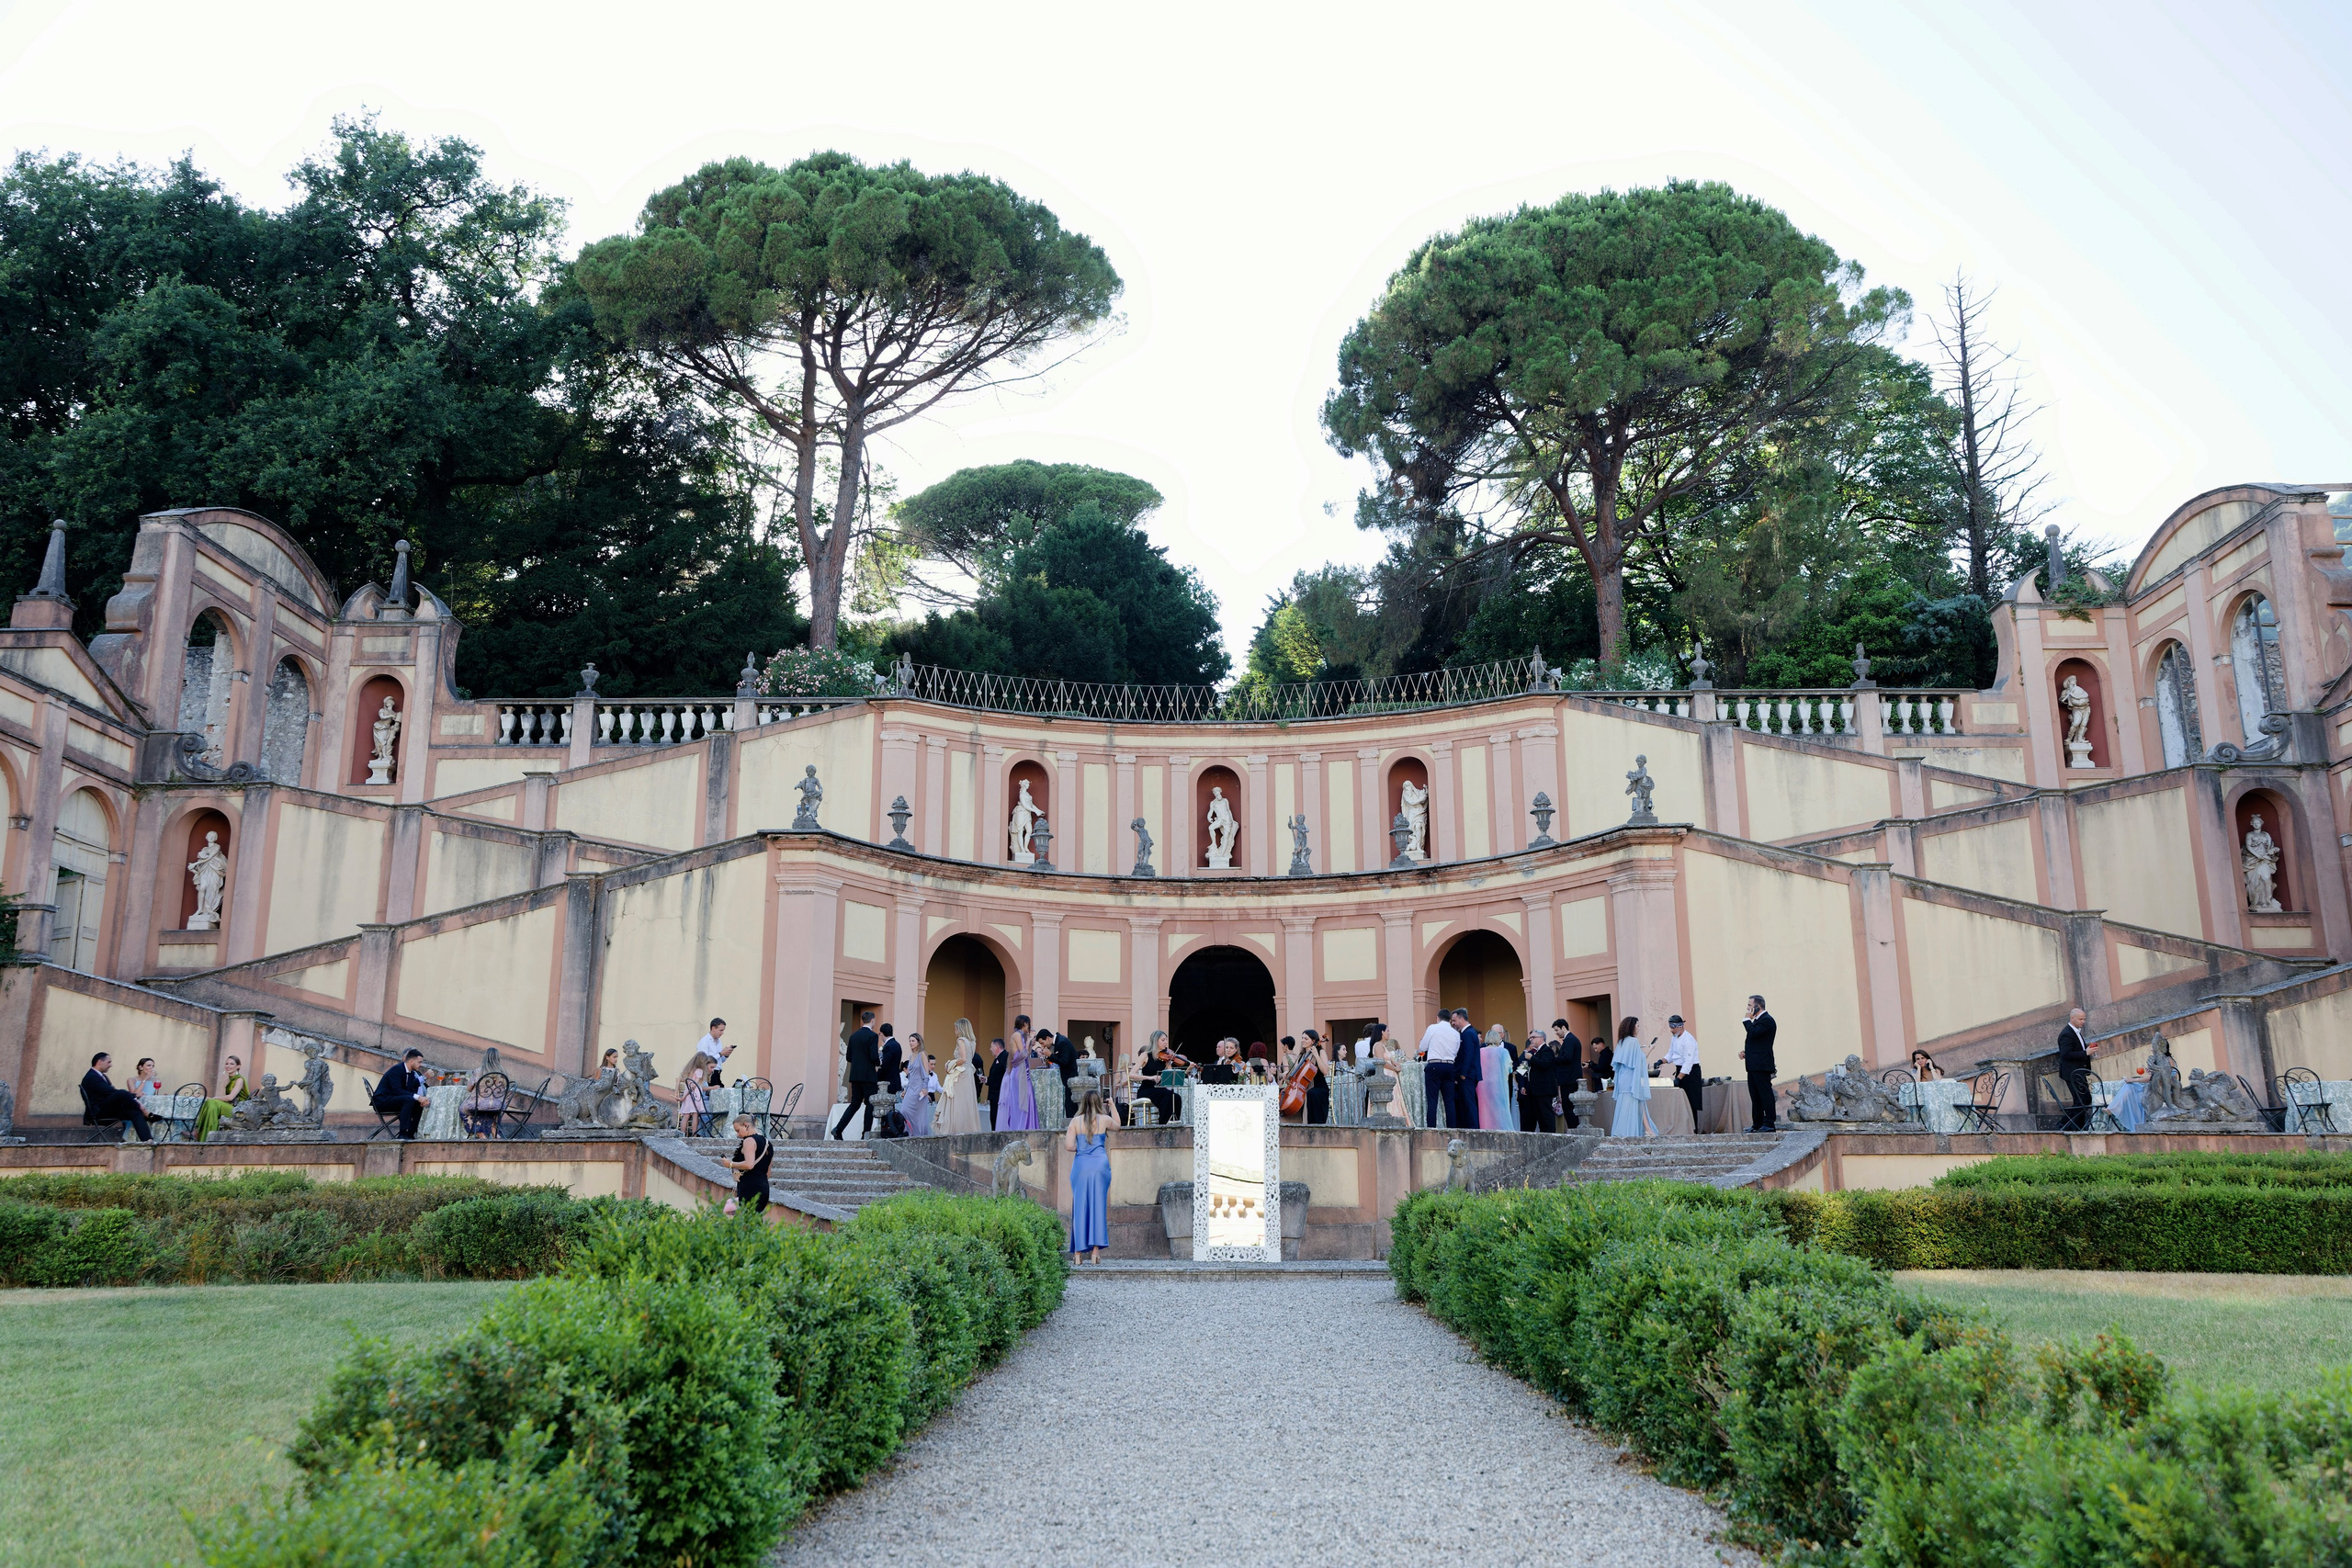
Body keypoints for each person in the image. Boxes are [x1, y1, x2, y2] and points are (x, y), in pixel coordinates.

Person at [1065, 1084, 1114, 1263]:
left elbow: (1069, 1146)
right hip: (1100, 1165)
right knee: (1098, 1207)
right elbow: (1119, 1126)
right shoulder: (1105, 1119)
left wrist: (1083, 1149)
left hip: (1081, 1165)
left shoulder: (1075, 1122)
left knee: (1080, 1207)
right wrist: (1112, 1106)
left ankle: (1078, 1255)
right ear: (1098, 1102)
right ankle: (1095, 1253)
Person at [831, 1010, 880, 1139]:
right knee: (870, 1105)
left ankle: (838, 1129)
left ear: (862, 1021)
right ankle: (866, 1134)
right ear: (872, 1020)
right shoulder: (873, 1036)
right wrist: (879, 1061)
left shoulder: (853, 1036)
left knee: (855, 1104)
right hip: (868, 1076)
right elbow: (874, 1056)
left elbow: (848, 1057)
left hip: (855, 1076)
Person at [82, 1053, 153, 1142]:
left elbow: (110, 1094)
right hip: (98, 1111)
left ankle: (148, 1140)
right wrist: (133, 1095)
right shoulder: (92, 1077)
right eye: (109, 1062)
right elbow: (110, 1092)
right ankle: (144, 1111)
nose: (111, 1065)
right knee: (121, 1093)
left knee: (135, 1113)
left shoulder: (101, 1076)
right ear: (100, 1062)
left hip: (107, 1109)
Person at [716, 1111, 774, 1214]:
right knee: (755, 1221)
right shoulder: (768, 1143)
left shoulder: (749, 1141)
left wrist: (730, 1164)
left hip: (750, 1187)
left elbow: (749, 1164)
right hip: (764, 1187)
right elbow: (768, 1173)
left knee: (745, 1223)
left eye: (738, 1130)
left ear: (746, 1126)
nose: (737, 1134)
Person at [1609, 1020, 1657, 1138]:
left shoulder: (1621, 1042)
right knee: (1638, 1101)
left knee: (1636, 1103)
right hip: (1631, 1078)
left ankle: (1647, 1129)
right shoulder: (1634, 1041)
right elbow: (1640, 1060)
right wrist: (1651, 1048)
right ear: (1632, 1027)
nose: (1639, 1028)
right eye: (1638, 1026)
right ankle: (1646, 1129)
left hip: (1623, 1078)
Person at [1740, 995, 1779, 1133]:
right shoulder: (1757, 1021)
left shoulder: (1767, 1020)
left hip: (1762, 1065)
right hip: (1753, 1064)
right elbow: (1757, 1042)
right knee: (1755, 1095)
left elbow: (1754, 1033)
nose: (1747, 1008)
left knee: (1765, 1094)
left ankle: (1769, 1123)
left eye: (1750, 1005)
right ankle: (1757, 1123)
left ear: (1758, 1006)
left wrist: (1746, 1020)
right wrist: (1746, 1052)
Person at [1418, 1008, 1460, 1127]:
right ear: (1450, 1020)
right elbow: (1456, 1052)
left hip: (1435, 1065)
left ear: (1438, 1018)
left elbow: (1422, 1047)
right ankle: (1452, 1129)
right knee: (1449, 1102)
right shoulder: (1456, 1033)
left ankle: (1431, 1129)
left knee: (1432, 1101)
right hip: (1449, 1066)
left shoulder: (1432, 1028)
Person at [373, 1049, 427, 1140]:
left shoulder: (410, 1072)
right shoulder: (396, 1070)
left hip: (395, 1099)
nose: (421, 1065)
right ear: (411, 1061)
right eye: (419, 1062)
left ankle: (410, 1133)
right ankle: (402, 1133)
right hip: (382, 1101)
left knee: (419, 1104)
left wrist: (421, 1099)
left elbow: (410, 1089)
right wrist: (418, 1097)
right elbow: (398, 1091)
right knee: (409, 1099)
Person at [937, 1037, 988, 1135]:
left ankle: (956, 1130)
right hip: (968, 1075)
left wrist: (950, 1064)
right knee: (965, 1104)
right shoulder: (972, 1042)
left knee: (958, 1104)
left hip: (961, 1074)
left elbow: (963, 1058)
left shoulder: (961, 1040)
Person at [194, 1055, 250, 1142]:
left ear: (238, 1066)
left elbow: (230, 1097)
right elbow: (223, 1100)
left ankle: (201, 1132)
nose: (228, 1066)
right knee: (210, 1103)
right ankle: (204, 1133)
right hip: (230, 1106)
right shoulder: (227, 1081)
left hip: (238, 1110)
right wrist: (208, 1098)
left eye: (232, 1064)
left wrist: (214, 1098)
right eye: (227, 1064)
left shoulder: (240, 1080)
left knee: (212, 1102)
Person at [996, 1028, 1042, 1132]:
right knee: (1021, 1101)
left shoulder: (1023, 1044)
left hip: (1024, 1075)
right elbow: (1023, 1054)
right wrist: (1029, 1040)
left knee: (1029, 1099)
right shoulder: (1017, 1039)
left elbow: (1027, 1054)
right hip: (1019, 1075)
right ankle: (1021, 1126)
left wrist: (1030, 1043)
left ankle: (1028, 1126)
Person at [2055, 1007, 2093, 1132]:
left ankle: (2075, 1126)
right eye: (2081, 1019)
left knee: (2083, 1100)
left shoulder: (2075, 1031)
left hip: (2078, 1072)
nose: (2083, 1021)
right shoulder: (2066, 1034)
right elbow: (2065, 1054)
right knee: (2082, 1100)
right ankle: (2067, 1125)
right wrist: (2085, 1053)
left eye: (2084, 1019)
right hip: (2072, 1073)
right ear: (2072, 1018)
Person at [1521, 1030, 1564, 1133]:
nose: (1530, 1039)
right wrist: (1522, 1085)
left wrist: (1532, 1058)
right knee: (1538, 1118)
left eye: (1533, 1037)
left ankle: (1550, 1139)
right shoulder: (1530, 1053)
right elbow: (1521, 1071)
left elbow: (1545, 1064)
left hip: (1544, 1091)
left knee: (1546, 1117)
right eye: (1530, 1037)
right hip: (1533, 1091)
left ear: (1541, 1038)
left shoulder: (1547, 1050)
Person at [462, 1051, 510, 1138]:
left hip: (479, 1104)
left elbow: (469, 1089)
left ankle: (479, 1132)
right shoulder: (504, 1073)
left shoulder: (478, 1071)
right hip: (498, 1105)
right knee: (489, 1112)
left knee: (463, 1109)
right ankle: (493, 1130)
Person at [1666, 1014, 1704, 1122]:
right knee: (1681, 1101)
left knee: (1691, 1100)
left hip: (1691, 1072)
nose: (1671, 1030)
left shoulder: (1688, 1040)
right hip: (1680, 1070)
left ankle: (1693, 1127)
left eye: (1673, 1027)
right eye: (1670, 1027)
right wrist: (1662, 1061)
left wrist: (1679, 1078)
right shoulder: (1675, 1038)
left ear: (1680, 1026)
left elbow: (1688, 1062)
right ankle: (1683, 1125)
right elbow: (1671, 1053)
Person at [1476, 1023, 1513, 1129]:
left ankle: (1486, 1128)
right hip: (1499, 1084)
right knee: (1500, 1109)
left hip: (1483, 1085)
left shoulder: (1480, 1051)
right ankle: (1502, 1129)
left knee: (1485, 1109)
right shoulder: (1503, 1051)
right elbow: (1509, 1068)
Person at [1453, 1010, 1485, 1130]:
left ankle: (1474, 1129)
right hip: (1468, 1074)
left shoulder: (1468, 1033)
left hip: (1468, 1074)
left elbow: (1468, 1055)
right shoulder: (1469, 1033)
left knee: (1469, 1103)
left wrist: (1463, 1074)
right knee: (1466, 1103)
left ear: (1461, 1019)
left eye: (1455, 1020)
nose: (1453, 1023)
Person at [1297, 1029, 1332, 1125]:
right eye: (1302, 1038)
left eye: (1306, 1038)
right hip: (1305, 1087)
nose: (1303, 1040)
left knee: (1311, 1094)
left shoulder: (1321, 1052)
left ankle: (1313, 1125)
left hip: (1319, 1088)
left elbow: (1325, 1071)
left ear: (1313, 1041)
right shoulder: (1302, 1055)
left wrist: (1316, 1055)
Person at [678, 1052, 716, 1136]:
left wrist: (680, 1094)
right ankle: (694, 1136)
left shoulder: (688, 1069)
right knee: (695, 1115)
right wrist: (685, 1095)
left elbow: (679, 1080)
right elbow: (695, 1086)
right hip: (695, 1095)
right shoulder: (699, 1071)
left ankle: (682, 1135)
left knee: (686, 1116)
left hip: (687, 1094)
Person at [901, 1043, 935, 1137]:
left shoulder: (922, 1054)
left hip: (920, 1088)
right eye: (909, 1040)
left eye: (913, 1040)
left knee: (919, 1115)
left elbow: (925, 1072)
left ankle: (920, 1135)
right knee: (904, 1110)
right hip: (911, 1087)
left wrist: (925, 1087)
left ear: (918, 1042)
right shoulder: (911, 1056)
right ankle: (909, 1133)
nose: (910, 1043)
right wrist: (906, 1090)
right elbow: (910, 1076)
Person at [692, 1018, 734, 1087]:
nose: (722, 1033)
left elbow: (720, 1061)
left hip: (717, 1073)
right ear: (713, 1028)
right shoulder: (705, 1041)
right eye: (721, 1030)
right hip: (709, 1074)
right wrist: (721, 1054)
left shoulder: (718, 1041)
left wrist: (726, 1055)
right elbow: (703, 1060)